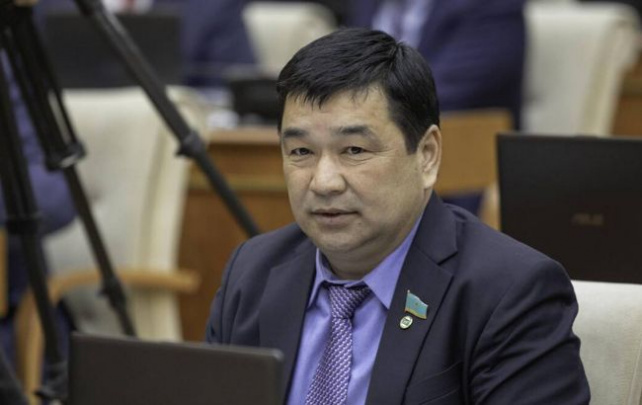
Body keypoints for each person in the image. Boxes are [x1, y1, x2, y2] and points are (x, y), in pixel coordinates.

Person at [206, 28, 590, 404]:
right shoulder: (252, 272)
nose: (323, 182)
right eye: (301, 152)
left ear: (427, 156)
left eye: (354, 150)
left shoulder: (510, 294)